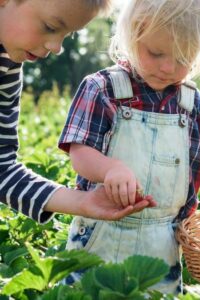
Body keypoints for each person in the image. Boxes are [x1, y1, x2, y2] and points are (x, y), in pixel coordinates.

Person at [58, 0, 200, 294]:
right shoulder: (103, 88)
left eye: (182, 58)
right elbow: (80, 152)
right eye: (156, 53)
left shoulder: (190, 102)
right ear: (133, 35)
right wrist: (110, 169)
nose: (167, 67)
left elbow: (193, 162)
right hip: (102, 232)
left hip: (163, 241)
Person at [0, 0, 153, 224]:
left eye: (67, 35)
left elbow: (2, 168)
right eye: (51, 27)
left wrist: (82, 202)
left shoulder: (7, 68)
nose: (56, 47)